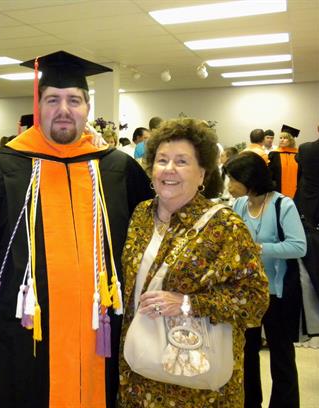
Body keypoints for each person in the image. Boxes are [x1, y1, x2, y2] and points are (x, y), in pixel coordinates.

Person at [0, 50, 153, 408]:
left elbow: (147, 247)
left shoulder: (118, 170)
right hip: (20, 337)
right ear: (38, 106)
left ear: (87, 107)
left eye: (74, 100)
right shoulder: (1, 169)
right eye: (52, 99)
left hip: (102, 336)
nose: (64, 109)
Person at [118, 118, 270, 407]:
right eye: (162, 160)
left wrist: (188, 303)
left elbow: (255, 301)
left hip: (197, 383)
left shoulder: (225, 226)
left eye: (182, 161)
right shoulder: (140, 216)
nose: (169, 169)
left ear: (202, 173)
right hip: (138, 375)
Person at [227, 152, 306, 408]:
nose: (229, 185)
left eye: (233, 179)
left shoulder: (283, 205)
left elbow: (298, 246)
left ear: (249, 179)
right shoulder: (238, 205)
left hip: (277, 292)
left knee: (281, 356)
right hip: (246, 293)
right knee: (246, 355)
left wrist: (258, 248)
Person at [268, 125, 299, 198]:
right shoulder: (274, 154)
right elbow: (270, 174)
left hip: (296, 192)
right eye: (280, 138)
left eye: (285, 138)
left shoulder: (298, 154)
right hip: (278, 191)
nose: (281, 140)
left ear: (291, 140)